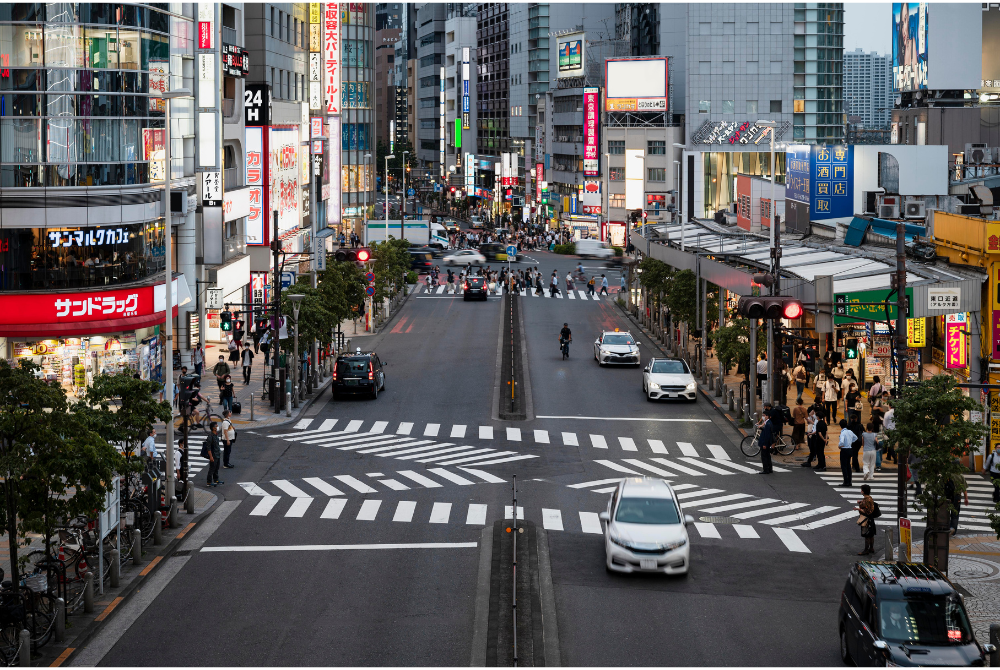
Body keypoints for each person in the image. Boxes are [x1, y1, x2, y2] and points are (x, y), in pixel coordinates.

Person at [854, 484, 878, 555]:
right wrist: (861, 502)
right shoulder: (869, 498)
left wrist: (858, 509)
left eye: (861, 490)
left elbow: (866, 511)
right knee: (871, 534)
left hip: (866, 518)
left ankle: (866, 550)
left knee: (866, 534)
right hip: (871, 518)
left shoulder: (865, 499)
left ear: (863, 491)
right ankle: (871, 548)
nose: (861, 491)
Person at [756, 404, 775, 474]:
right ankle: (770, 469)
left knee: (764, 457)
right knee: (767, 456)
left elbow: (767, 435)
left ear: (767, 416)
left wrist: (764, 444)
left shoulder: (768, 424)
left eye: (764, 415)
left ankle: (766, 469)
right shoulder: (768, 423)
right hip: (767, 443)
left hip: (765, 443)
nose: (763, 417)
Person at [839, 419, 857, 487]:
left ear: (840, 426)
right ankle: (849, 481)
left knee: (844, 466)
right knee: (848, 466)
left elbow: (842, 442)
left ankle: (845, 481)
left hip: (844, 450)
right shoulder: (850, 431)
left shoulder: (842, 433)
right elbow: (856, 438)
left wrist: (840, 446)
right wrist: (850, 442)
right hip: (850, 449)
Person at [204, 422, 222, 487]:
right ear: (213, 428)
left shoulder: (216, 435)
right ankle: (209, 482)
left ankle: (216, 479)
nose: (217, 427)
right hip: (213, 455)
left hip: (217, 454)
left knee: (216, 468)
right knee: (212, 469)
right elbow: (208, 448)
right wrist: (211, 457)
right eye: (216, 426)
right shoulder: (210, 437)